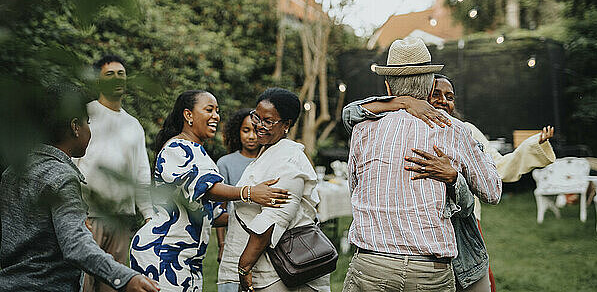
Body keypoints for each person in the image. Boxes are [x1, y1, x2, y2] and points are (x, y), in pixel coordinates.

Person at [343, 73, 555, 291]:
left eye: (450, 96)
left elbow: (495, 170)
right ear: (421, 96)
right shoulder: (389, 125)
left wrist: (454, 176)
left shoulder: (462, 131)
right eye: (436, 94)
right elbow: (350, 112)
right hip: (408, 249)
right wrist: (403, 102)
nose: (444, 100)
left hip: (459, 235)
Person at [341, 38, 502, 292]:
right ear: (430, 86)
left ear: (387, 86)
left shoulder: (362, 129)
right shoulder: (454, 130)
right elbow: (492, 191)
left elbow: (354, 188)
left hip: (372, 264)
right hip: (430, 271)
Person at [0, 83, 159, 292]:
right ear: (75, 127)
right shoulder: (62, 177)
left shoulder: (11, 173)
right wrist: (125, 278)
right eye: (88, 122)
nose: (89, 129)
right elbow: (76, 245)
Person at [130, 90, 289, 292]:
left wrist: (260, 215)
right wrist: (249, 192)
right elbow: (207, 188)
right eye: (209, 110)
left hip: (186, 258)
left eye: (217, 110)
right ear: (188, 115)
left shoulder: (198, 151)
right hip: (163, 253)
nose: (216, 116)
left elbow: (211, 214)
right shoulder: (177, 148)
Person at [218, 87, 331, 292]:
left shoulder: (288, 159)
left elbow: (272, 220)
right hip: (271, 270)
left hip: (281, 272)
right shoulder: (268, 150)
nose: (258, 126)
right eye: (256, 117)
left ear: (286, 125)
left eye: (268, 121)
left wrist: (244, 267)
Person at [73, 55, 154, 292]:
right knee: (84, 284)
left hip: (121, 220)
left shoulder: (134, 125)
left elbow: (140, 172)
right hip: (88, 218)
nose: (117, 79)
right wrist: (76, 212)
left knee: (115, 284)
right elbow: (70, 163)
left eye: (121, 74)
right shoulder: (86, 114)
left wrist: (148, 214)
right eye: (110, 74)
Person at [216, 108, 260, 268]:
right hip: (235, 235)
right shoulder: (225, 163)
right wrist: (222, 245)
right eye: (246, 130)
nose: (251, 136)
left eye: (255, 131)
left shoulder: (269, 160)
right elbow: (220, 209)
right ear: (237, 132)